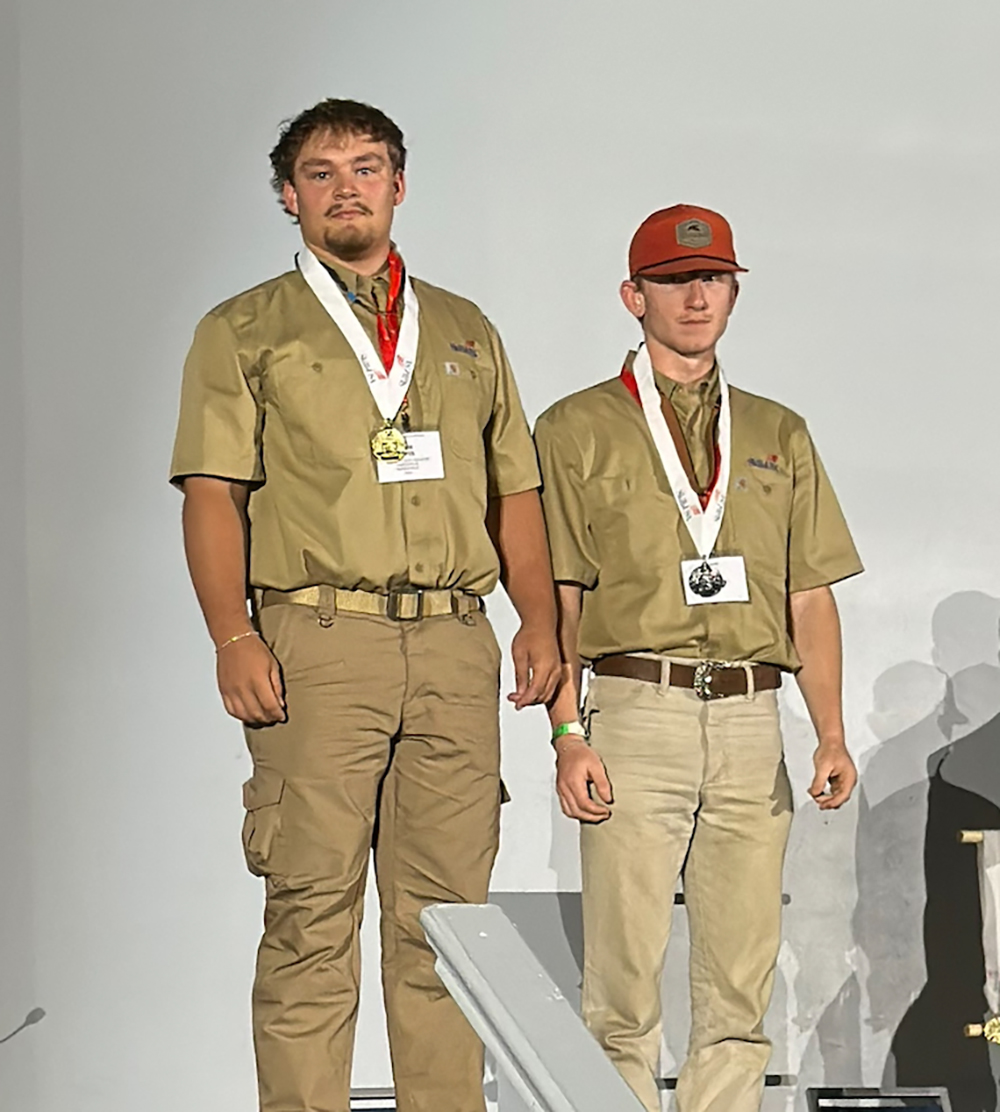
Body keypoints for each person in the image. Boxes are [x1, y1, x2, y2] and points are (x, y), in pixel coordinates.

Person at [170, 98, 560, 1112]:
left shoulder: (465, 328)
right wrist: (232, 633)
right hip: (318, 638)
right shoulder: (244, 328)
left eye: (367, 167)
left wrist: (540, 621)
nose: (346, 188)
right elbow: (212, 490)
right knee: (311, 914)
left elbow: (514, 491)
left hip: (454, 640)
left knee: (448, 926)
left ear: (399, 184)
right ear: (288, 196)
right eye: (322, 172)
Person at [534, 204, 863, 1112]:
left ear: (733, 293)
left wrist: (830, 731)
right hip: (638, 709)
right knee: (622, 989)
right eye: (675, 281)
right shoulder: (576, 427)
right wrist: (566, 732)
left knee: (739, 992)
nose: (695, 297)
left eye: (712, 279)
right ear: (632, 295)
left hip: (752, 718)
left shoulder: (777, 431)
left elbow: (809, 593)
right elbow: (558, 593)